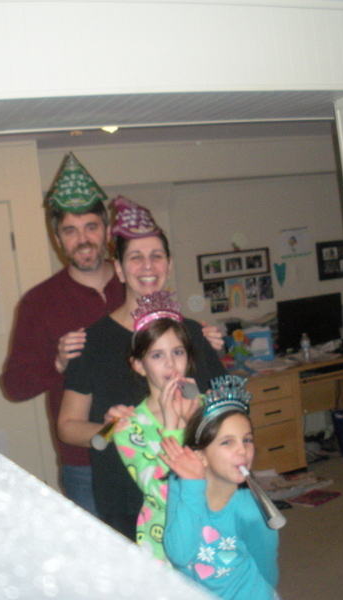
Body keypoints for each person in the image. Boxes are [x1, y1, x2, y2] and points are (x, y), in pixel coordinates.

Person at [58, 196, 226, 540]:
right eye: (135, 257)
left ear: (169, 264)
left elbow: (224, 411)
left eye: (156, 256)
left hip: (195, 488)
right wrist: (111, 429)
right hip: (124, 493)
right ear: (119, 269)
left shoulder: (194, 334)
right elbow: (68, 426)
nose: (147, 265)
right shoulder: (92, 342)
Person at [0, 152, 123, 515]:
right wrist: (56, 363)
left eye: (91, 227)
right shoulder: (39, 302)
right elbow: (14, 386)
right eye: (70, 230)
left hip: (148, 448)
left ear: (107, 231)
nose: (83, 239)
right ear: (57, 239)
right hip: (85, 464)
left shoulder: (134, 284)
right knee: (99, 551)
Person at [160, 375, 280, 600]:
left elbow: (267, 569)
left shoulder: (252, 510)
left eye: (247, 440)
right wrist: (192, 485)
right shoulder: (180, 482)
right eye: (227, 442)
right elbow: (179, 555)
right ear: (201, 455)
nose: (243, 450)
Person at [111, 291, 200, 561]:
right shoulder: (129, 428)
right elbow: (162, 492)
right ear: (139, 365)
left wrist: (195, 420)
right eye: (157, 355)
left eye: (178, 352)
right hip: (165, 545)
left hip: (213, 534)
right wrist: (173, 426)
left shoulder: (208, 407)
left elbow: (227, 474)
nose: (171, 363)